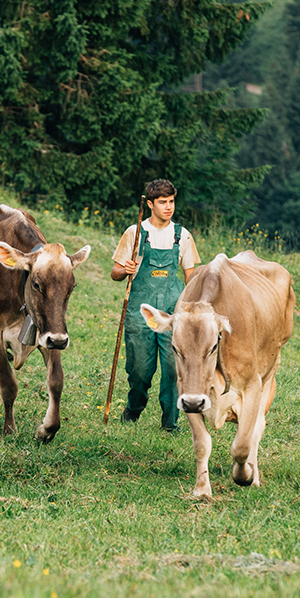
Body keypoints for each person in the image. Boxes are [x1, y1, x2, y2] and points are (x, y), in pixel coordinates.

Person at [111, 179, 201, 432]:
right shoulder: (136, 232)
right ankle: (134, 407)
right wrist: (124, 269)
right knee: (139, 371)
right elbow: (115, 272)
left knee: (173, 371)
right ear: (150, 204)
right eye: (163, 202)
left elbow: (190, 276)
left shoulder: (181, 235)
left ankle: (170, 424)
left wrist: (191, 309)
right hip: (140, 313)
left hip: (174, 314)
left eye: (171, 201)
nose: (168, 207)